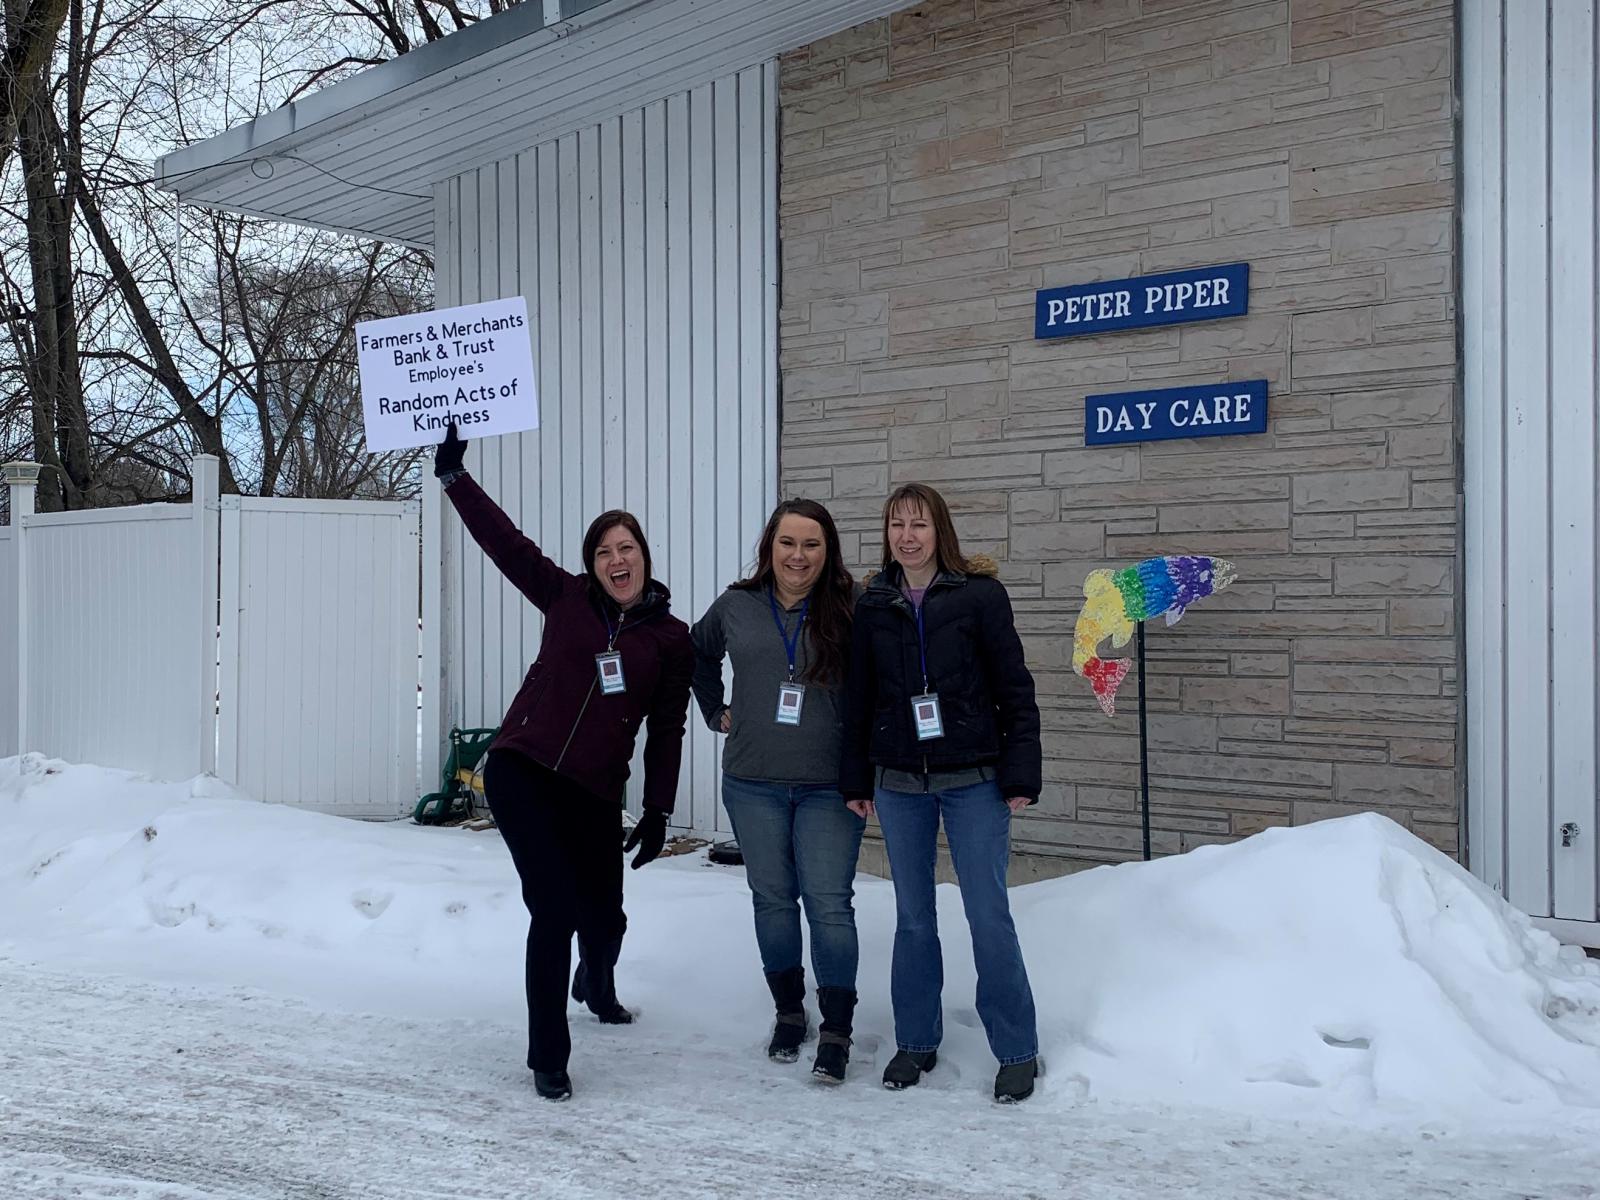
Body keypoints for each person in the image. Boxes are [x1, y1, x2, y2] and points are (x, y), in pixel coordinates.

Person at [434, 422, 693, 1103]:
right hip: (523, 767)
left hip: (595, 789)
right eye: (604, 550)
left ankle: (596, 983)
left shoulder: (670, 639)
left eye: (626, 547)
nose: (617, 559)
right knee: (553, 906)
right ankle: (549, 1054)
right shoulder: (566, 597)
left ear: (644, 556)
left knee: (604, 915)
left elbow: (668, 730)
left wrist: (660, 807)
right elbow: (506, 544)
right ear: (593, 562)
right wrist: (457, 479)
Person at [840, 482, 1044, 1104]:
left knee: (988, 915)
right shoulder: (872, 603)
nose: (907, 536)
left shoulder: (980, 596)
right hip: (900, 784)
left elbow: (1015, 685)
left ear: (940, 532)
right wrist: (856, 779)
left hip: (974, 782)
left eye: (919, 525)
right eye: (897, 525)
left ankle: (1016, 1050)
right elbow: (857, 698)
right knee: (912, 919)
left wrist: (1020, 774)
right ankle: (916, 1041)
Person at [689, 500, 865, 1083]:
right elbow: (697, 652)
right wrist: (716, 709)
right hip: (753, 782)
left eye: (811, 545)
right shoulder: (737, 605)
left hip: (827, 787)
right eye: (787, 543)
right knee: (772, 900)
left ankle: (837, 1028)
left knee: (830, 905)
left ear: (827, 551)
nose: (798, 556)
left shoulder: (852, 606)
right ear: (770, 547)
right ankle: (790, 1013)